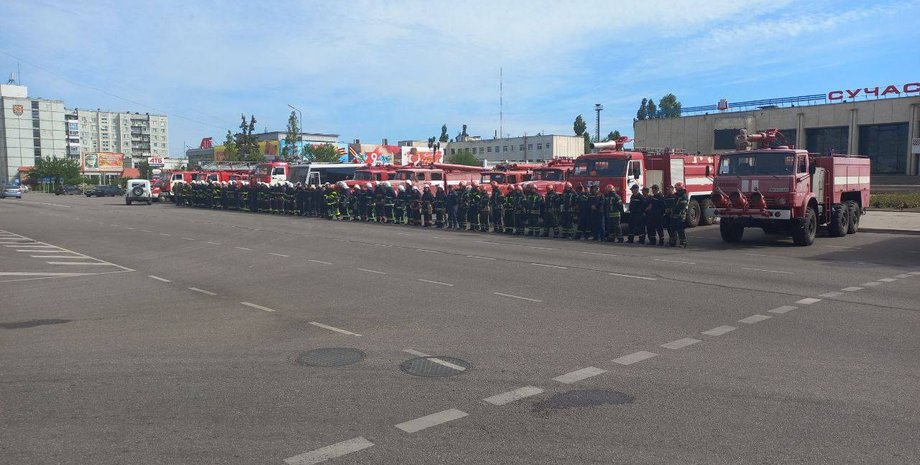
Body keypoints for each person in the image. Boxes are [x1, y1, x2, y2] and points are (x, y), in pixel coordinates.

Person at [668, 182, 689, 247]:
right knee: (672, 228)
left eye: (677, 188)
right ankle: (672, 242)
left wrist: (673, 209)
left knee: (680, 229)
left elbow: (682, 206)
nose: (676, 189)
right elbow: (672, 203)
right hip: (673, 214)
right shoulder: (675, 195)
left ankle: (683, 243)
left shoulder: (684, 196)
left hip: (680, 215)